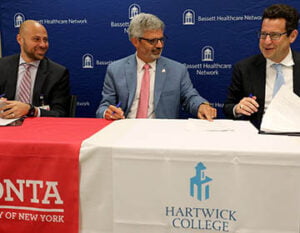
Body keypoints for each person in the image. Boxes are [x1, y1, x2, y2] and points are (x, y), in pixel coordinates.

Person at [96, 13, 217, 120]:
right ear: (135, 42)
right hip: (125, 132)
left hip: (161, 135)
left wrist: (201, 106)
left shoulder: (177, 70)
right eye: (152, 41)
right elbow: (104, 106)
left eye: (161, 39)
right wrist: (108, 112)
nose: (159, 45)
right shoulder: (115, 69)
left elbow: (190, 97)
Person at [223, 4, 300, 129]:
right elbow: (228, 107)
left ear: (292, 36)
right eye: (263, 34)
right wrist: (238, 108)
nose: (267, 41)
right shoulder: (245, 68)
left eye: (275, 35)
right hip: (257, 140)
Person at [0, 20, 70, 119]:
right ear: (20, 39)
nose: (43, 45)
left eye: (45, 40)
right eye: (36, 39)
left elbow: (60, 114)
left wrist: (31, 110)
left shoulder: (58, 73)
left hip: (41, 130)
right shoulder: (2, 66)